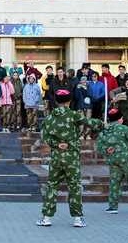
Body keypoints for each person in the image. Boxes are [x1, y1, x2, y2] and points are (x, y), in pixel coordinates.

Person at [36, 90, 101, 228]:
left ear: (56, 101)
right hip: (71, 156)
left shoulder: (49, 118)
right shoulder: (74, 115)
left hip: (56, 157)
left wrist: (57, 144)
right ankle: (77, 218)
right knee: (74, 186)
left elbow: (45, 137)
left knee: (52, 185)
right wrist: (102, 124)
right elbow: (90, 123)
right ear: (69, 101)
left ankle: (46, 217)